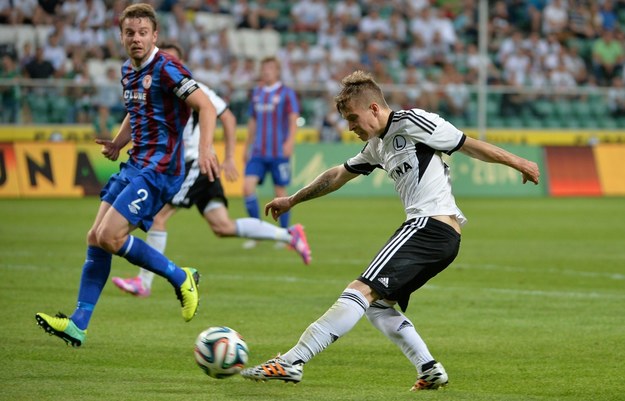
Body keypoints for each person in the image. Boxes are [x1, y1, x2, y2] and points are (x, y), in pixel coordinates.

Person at [240, 71, 540, 390]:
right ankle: (428, 369)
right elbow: (338, 175)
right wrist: (293, 199)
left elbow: (466, 144)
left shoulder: (413, 121)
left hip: (429, 225)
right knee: (378, 306)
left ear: (373, 108)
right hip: (439, 237)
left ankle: (292, 361)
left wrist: (519, 162)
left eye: (353, 118)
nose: (351, 127)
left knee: (359, 291)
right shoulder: (376, 146)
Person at [34, 3, 220, 347]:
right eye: (130, 33)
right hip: (136, 163)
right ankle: (77, 324)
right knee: (95, 236)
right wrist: (119, 143)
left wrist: (207, 148)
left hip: (160, 170)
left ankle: (181, 277)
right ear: (121, 36)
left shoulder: (166, 68)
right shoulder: (128, 70)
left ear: (155, 36)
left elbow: (205, 106)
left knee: (109, 236)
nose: (136, 39)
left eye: (143, 33)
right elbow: (136, 110)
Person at [111, 42, 311, 298]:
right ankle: (289, 235)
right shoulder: (156, 90)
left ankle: (144, 283)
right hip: (187, 166)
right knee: (222, 226)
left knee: (158, 217)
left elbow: (226, 116)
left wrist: (228, 157)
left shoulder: (195, 89)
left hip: (193, 164)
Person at [242, 56, 300, 249]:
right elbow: (252, 122)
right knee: (247, 187)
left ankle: (285, 234)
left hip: (278, 152)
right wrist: (246, 147)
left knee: (280, 193)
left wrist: (290, 142)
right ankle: (256, 233)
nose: (266, 71)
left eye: (270, 68)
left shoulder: (286, 93)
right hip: (258, 151)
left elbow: (293, 119)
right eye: (264, 68)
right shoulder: (257, 93)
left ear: (277, 71)